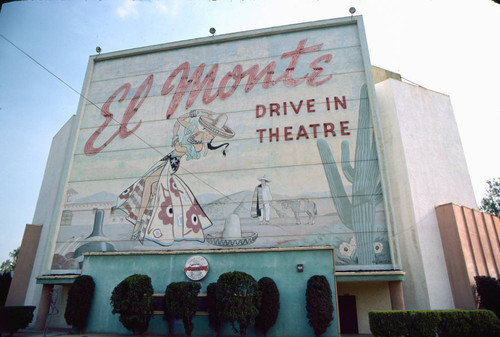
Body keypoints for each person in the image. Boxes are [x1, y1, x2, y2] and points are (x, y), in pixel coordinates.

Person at [115, 109, 234, 246]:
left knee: (150, 185)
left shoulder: (199, 147)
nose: (210, 136)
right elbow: (179, 121)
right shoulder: (193, 129)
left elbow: (180, 150)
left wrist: (178, 144)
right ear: (205, 128)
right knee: (147, 186)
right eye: (210, 132)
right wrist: (195, 114)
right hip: (165, 159)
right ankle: (139, 221)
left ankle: (139, 223)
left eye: (213, 135)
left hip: (172, 163)